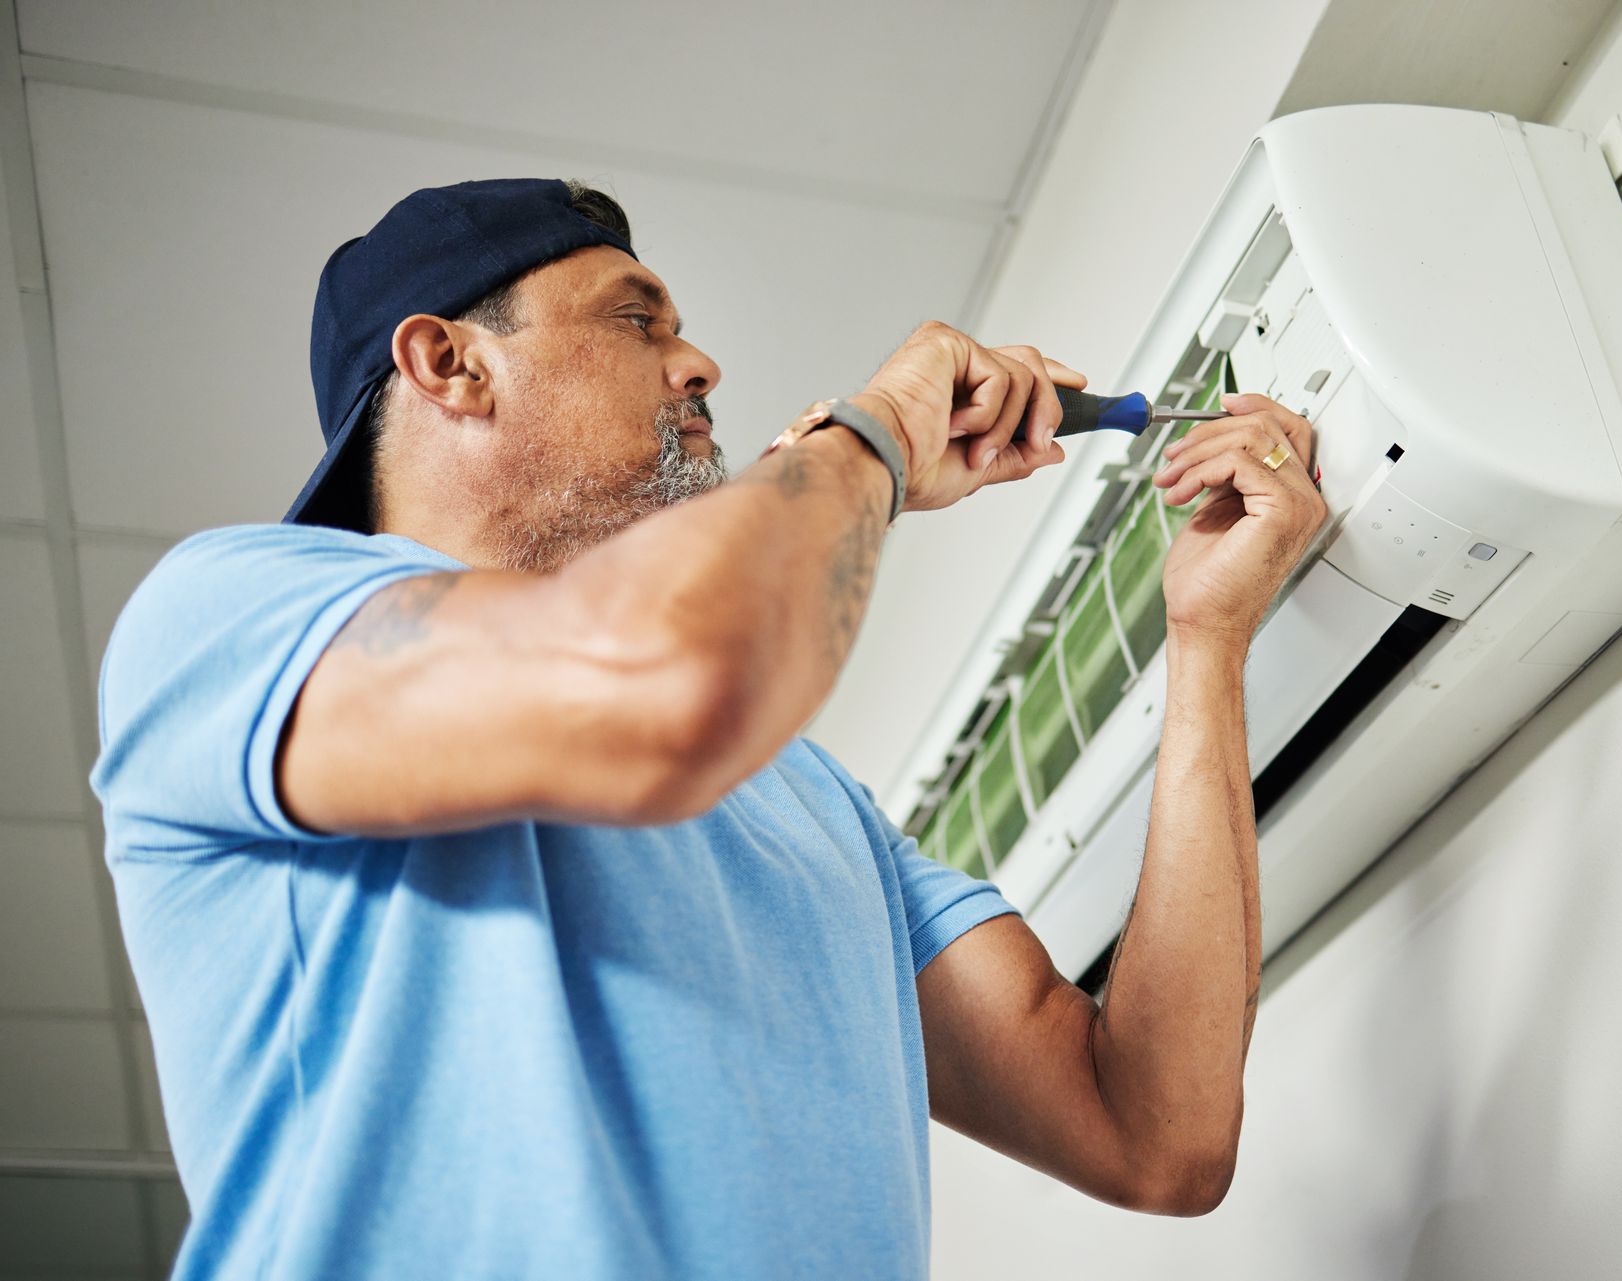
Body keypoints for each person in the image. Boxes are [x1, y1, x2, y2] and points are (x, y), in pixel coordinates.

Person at [91, 178, 1327, 1280]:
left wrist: (1207, 643)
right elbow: (661, 685)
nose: (700, 365)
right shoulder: (234, 616)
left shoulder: (809, 803)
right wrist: (881, 431)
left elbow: (1155, 1133)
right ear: (447, 363)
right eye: (638, 320)